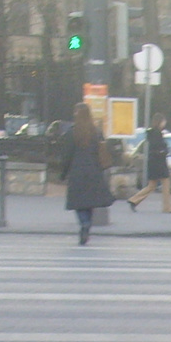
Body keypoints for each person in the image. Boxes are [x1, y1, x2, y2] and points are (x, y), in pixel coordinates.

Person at [60, 102, 113, 245]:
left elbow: (67, 156)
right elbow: (101, 152)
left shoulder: (72, 133)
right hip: (94, 172)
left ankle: (84, 223)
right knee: (90, 203)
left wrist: (63, 173)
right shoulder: (96, 132)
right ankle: (87, 224)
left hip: (77, 172)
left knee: (78, 203)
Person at [126, 113, 171, 212]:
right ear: (160, 122)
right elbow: (158, 147)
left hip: (153, 162)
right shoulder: (157, 133)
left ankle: (134, 200)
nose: (165, 123)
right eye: (164, 121)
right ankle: (167, 208)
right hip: (159, 162)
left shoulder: (151, 133)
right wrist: (164, 151)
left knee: (152, 185)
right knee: (166, 184)